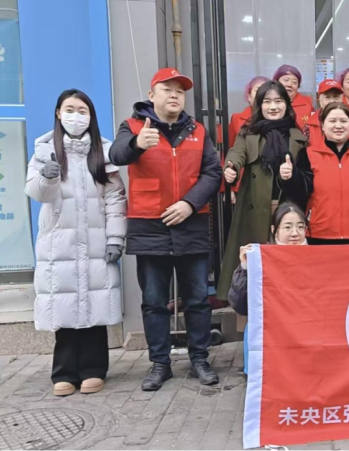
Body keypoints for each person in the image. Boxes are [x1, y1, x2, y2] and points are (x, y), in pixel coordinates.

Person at [110, 68, 222, 391]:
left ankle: (199, 359)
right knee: (154, 300)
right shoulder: (133, 126)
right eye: (167, 89)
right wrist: (136, 144)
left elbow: (212, 172)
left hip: (191, 224)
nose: (174, 95)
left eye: (180, 91)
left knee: (198, 299)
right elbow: (116, 154)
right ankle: (160, 364)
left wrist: (190, 203)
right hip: (149, 227)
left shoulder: (198, 130)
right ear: (152, 95)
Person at [26, 90, 126, 397]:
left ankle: (94, 370)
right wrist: (47, 177)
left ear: (91, 116)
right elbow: (37, 193)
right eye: (69, 109)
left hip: (96, 241)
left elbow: (115, 197)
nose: (76, 116)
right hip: (59, 243)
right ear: (58, 113)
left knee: (95, 305)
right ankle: (64, 372)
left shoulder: (103, 151)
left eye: (82, 110)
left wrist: (115, 238)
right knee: (64, 307)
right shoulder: (45, 150)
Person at [216, 80, 309, 300]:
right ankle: (248, 313)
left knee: (286, 268)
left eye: (278, 101)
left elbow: (306, 176)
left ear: (287, 104)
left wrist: (291, 174)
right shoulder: (248, 132)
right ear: (259, 105)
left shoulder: (298, 136)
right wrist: (231, 168)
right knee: (252, 266)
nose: (273, 107)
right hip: (254, 208)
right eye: (267, 102)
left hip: (286, 210)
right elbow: (237, 153)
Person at [228, 203, 309, 374]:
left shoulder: (317, 259)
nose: (295, 233)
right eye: (288, 227)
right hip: (272, 331)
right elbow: (240, 305)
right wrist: (244, 268)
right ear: (274, 230)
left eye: (300, 227)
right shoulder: (261, 260)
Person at [296, 102, 349, 245]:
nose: (338, 126)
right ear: (322, 125)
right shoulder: (308, 154)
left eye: (343, 121)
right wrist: (290, 177)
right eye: (332, 121)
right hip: (319, 232)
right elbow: (301, 190)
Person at [305, 79, 349, 148]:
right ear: (320, 100)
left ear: (342, 99)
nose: (332, 101)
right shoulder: (310, 125)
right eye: (327, 97)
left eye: (336, 97)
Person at [228, 76, 269, 149]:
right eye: (258, 90)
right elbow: (230, 147)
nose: (261, 94)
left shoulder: (278, 117)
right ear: (249, 96)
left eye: (266, 91)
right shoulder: (236, 119)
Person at [273, 64, 314, 129]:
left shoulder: (308, 104)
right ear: (276, 82)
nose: (289, 84)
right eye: (286, 80)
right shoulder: (267, 102)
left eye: (294, 82)